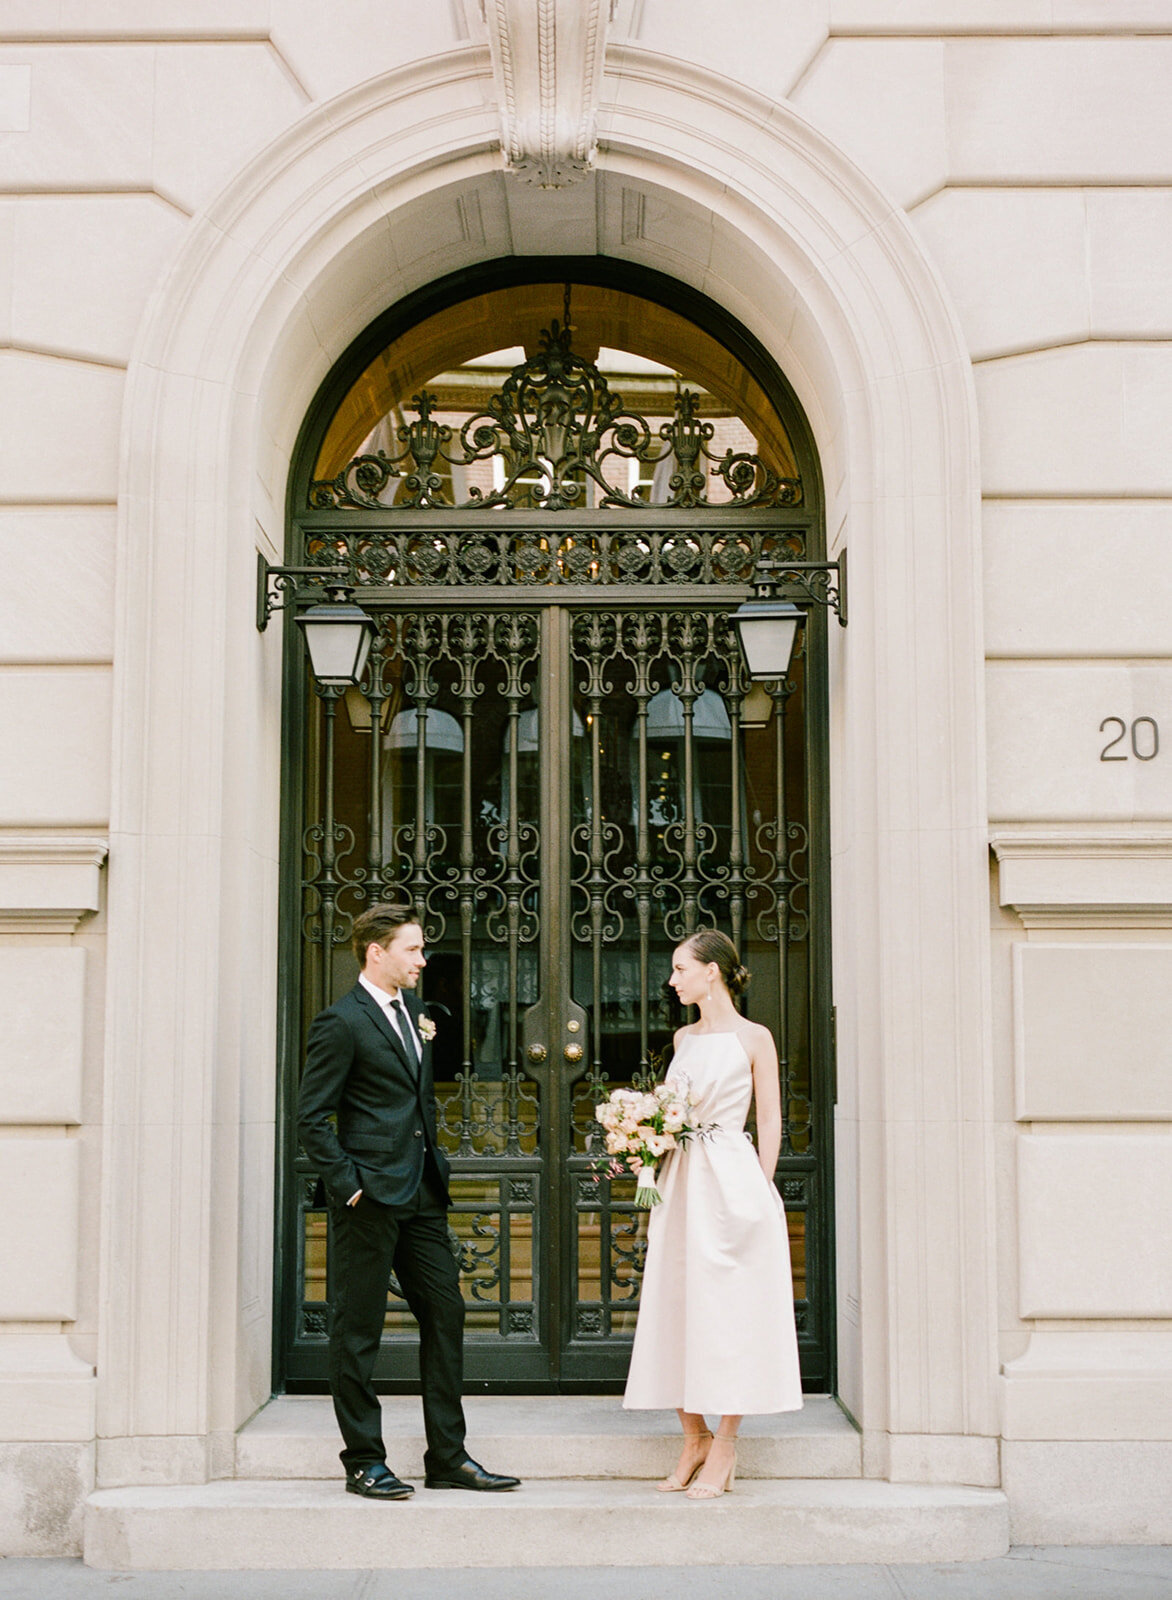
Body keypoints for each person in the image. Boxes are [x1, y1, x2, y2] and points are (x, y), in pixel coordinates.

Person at [298, 902, 520, 1500]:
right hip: (368, 1198)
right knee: (357, 1329)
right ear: (378, 952)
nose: (423, 960)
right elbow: (312, 1118)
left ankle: (447, 1456)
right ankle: (364, 1460)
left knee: (446, 1312)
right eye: (414, 949)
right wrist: (349, 1187)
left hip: (421, 1191)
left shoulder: (416, 1013)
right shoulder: (340, 1023)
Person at [622, 928, 803, 1499]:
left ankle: (725, 1443)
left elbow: (770, 1119)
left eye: (680, 968)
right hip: (680, 1181)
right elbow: (670, 1111)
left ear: (712, 972)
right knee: (675, 1301)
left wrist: (763, 1186)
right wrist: (642, 1141)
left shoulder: (755, 1037)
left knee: (730, 1310)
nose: (672, 979)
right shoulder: (682, 1038)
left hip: (731, 1177)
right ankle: (692, 1435)